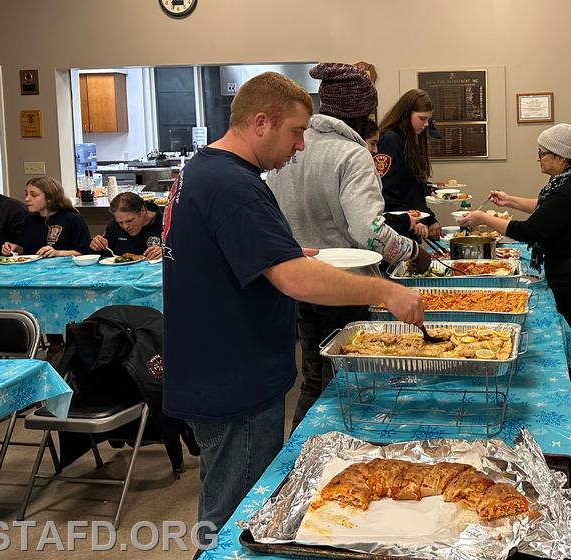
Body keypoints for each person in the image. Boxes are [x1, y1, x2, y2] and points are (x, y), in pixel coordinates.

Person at [162, 71, 423, 542]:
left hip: (213, 369)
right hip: (234, 379)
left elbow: (242, 258)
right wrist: (385, 291)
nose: (301, 146)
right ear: (261, 123)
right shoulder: (234, 185)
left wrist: (284, 253)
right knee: (236, 519)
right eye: (297, 132)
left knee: (224, 498)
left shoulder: (206, 170)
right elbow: (295, 281)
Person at [267, 63, 431, 427]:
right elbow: (368, 232)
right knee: (350, 384)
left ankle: (301, 462)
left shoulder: (293, 145)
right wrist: (411, 252)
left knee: (313, 379)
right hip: (345, 288)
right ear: (365, 112)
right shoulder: (351, 153)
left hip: (298, 281)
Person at [458, 123, 571, 438]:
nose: (537, 159)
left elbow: (533, 231)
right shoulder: (568, 180)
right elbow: (545, 210)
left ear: (559, 156)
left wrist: (484, 218)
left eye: (542, 154)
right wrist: (509, 201)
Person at [376, 89, 441, 239]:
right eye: (422, 119)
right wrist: (409, 220)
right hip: (397, 227)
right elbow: (386, 191)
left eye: (428, 119)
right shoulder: (390, 140)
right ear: (406, 114)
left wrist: (430, 219)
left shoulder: (407, 139)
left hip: (408, 224)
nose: (426, 124)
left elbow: (411, 188)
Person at [2, 176, 92, 257]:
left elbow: (85, 252)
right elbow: (27, 250)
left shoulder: (72, 218)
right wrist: (15, 248)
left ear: (50, 198)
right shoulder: (28, 219)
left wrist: (58, 253)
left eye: (34, 195)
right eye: (26, 194)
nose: (27, 199)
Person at [89, 192, 164, 260]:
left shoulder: (166, 224)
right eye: (120, 223)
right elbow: (106, 252)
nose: (125, 226)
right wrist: (97, 246)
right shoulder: (114, 226)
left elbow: (173, 252)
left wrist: (165, 251)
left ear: (142, 211)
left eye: (129, 221)